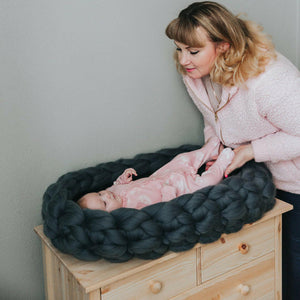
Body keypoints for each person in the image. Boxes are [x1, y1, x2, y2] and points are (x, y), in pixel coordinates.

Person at [165, 2, 300, 299]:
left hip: (295, 186)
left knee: (293, 276)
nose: (183, 59)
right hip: (259, 181)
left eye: (193, 51)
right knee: (264, 271)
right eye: (179, 49)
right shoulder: (196, 75)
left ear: (223, 46)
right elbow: (214, 119)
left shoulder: (269, 78)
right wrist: (210, 151)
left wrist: (252, 150)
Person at [78, 137, 234, 211]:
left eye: (99, 193)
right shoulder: (131, 211)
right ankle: (224, 161)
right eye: (104, 203)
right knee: (207, 183)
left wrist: (123, 177)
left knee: (182, 159)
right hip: (179, 189)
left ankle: (209, 150)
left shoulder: (112, 192)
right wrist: (168, 192)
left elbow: (116, 185)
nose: (107, 196)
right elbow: (162, 209)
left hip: (163, 175)